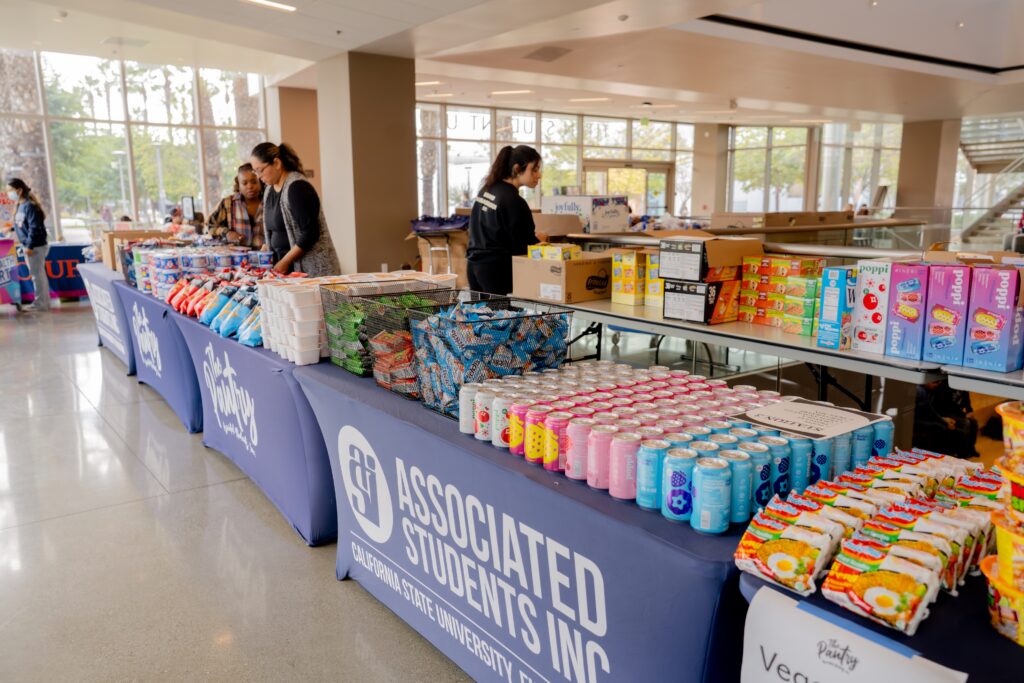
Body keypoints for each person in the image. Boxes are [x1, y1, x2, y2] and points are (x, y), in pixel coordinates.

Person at [250, 142, 340, 276]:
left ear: (276, 163)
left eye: (260, 170)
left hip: (312, 271)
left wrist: (285, 261)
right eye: (255, 171)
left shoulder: (297, 187)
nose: (258, 176)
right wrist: (262, 253)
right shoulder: (269, 190)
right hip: (285, 271)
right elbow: (273, 231)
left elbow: (310, 234)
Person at [466, 145, 546, 294]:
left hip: (474, 269)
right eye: (534, 169)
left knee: (479, 316)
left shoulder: (486, 191)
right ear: (517, 169)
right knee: (503, 317)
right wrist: (540, 242)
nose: (539, 175)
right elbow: (523, 246)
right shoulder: (513, 201)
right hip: (497, 273)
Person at [6, 178, 50, 311]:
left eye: (10, 190)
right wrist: (11, 229)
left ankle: (41, 304)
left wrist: (29, 246)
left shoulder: (29, 206)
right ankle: (42, 302)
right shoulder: (20, 206)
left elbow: (34, 227)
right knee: (37, 275)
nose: (8, 193)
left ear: (19, 190)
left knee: (38, 276)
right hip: (29, 245)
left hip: (35, 246)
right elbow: (22, 224)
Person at [913, 379, 979, 458]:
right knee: (957, 425)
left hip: (940, 416)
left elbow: (931, 412)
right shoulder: (922, 392)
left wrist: (969, 411)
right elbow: (933, 411)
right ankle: (957, 453)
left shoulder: (928, 391)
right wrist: (944, 421)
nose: (937, 384)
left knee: (973, 423)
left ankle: (969, 449)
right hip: (928, 418)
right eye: (935, 382)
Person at [206, 164, 265, 248]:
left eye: (254, 182)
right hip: (237, 258)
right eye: (244, 183)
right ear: (239, 185)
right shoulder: (228, 203)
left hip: (265, 258)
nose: (250, 186)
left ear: (260, 181)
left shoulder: (269, 202)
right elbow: (210, 225)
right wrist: (227, 233)